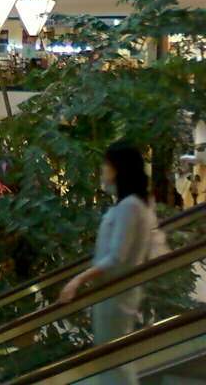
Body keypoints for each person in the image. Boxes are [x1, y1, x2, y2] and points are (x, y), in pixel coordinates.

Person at [59, 142, 156, 385]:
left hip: (116, 294)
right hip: (114, 293)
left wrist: (78, 280)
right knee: (114, 360)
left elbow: (116, 257)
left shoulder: (130, 206)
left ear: (118, 168)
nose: (103, 169)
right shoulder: (132, 205)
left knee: (114, 361)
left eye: (107, 164)